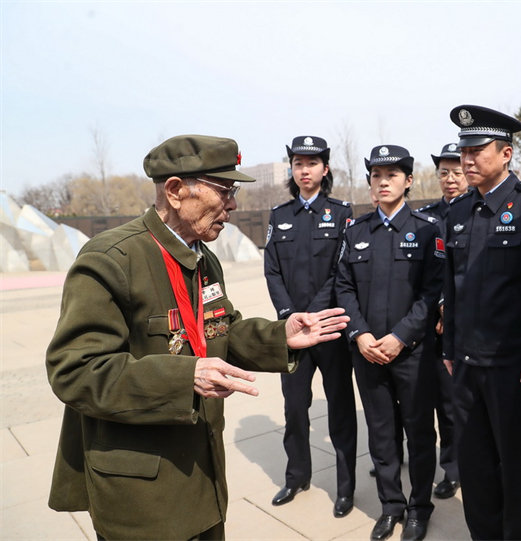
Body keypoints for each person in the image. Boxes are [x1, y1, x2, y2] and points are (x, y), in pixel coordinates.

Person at [45, 134, 349, 541]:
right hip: (143, 494)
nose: (234, 204)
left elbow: (221, 328)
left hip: (201, 477)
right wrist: (183, 378)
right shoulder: (111, 259)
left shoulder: (202, 257)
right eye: (225, 190)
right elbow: (75, 370)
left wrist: (281, 337)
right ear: (175, 191)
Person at [442, 105, 521, 540]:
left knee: (518, 468)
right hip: (467, 365)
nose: (467, 160)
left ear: (506, 153)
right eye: (463, 150)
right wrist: (450, 349)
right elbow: (452, 291)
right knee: (474, 467)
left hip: (515, 368)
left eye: (477, 150)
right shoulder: (456, 213)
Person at [336, 145, 444, 541]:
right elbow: (343, 288)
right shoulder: (355, 232)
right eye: (376, 175)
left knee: (418, 434)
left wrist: (400, 337)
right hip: (367, 353)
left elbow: (432, 293)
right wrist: (360, 334)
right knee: (381, 435)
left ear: (409, 181)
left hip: (411, 354)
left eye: (392, 175)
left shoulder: (427, 229)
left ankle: (419, 509)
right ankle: (391, 506)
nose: (383, 182)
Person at [264, 136, 358, 517]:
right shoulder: (279, 215)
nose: (304, 170)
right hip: (291, 332)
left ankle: (346, 487)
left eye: (312, 163)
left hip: (330, 328)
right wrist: (289, 314)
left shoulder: (341, 213)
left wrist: (315, 315)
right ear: (292, 169)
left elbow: (341, 270)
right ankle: (297, 475)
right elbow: (271, 270)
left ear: (325, 169)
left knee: (340, 408)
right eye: (298, 163)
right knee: (294, 408)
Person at [417, 142, 468, 499]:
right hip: (430, 325)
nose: (450, 179)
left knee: (454, 406)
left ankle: (455, 466)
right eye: (444, 173)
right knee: (428, 401)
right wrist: (437, 306)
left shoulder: (476, 211)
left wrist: (451, 309)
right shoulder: (427, 217)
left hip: (463, 326)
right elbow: (426, 273)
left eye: (458, 171)